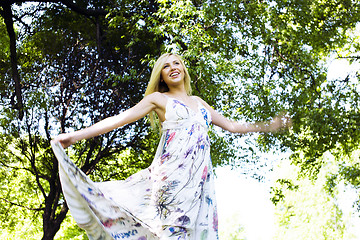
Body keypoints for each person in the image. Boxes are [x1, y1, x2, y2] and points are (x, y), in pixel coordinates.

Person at [51, 53, 290, 240]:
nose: (173, 67)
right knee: (171, 232)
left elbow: (233, 127)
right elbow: (119, 119)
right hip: (171, 180)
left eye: (177, 63)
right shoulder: (158, 100)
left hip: (198, 184)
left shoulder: (199, 103)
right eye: (166, 66)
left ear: (184, 70)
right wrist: (74, 137)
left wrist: (270, 126)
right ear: (161, 77)